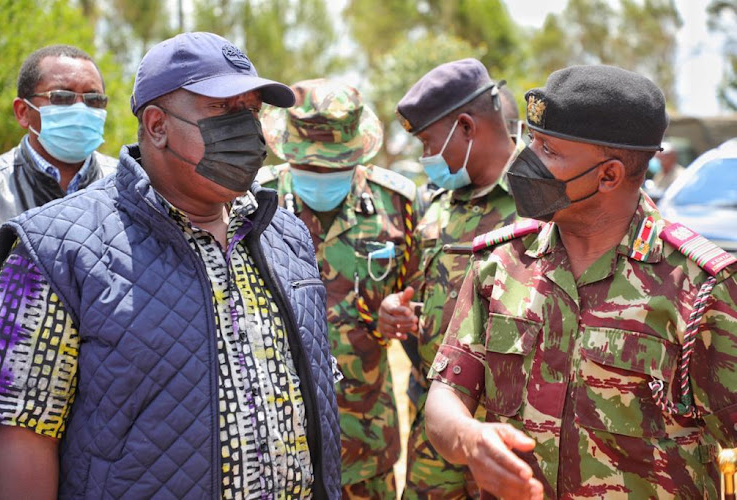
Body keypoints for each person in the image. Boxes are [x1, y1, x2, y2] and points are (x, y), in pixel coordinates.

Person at [0, 32, 340, 499]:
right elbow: (22, 437)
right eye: (222, 110)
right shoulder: (54, 250)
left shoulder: (285, 235)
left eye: (251, 111)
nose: (246, 131)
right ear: (156, 125)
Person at [425, 65, 737, 499]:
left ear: (608, 175)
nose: (525, 162)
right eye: (532, 142)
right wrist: (469, 438)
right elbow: (444, 398)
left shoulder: (699, 289)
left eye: (548, 151)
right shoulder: (499, 265)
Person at [258, 78, 417, 498]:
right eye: (309, 168)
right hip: (279, 445)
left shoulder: (396, 203)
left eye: (335, 167)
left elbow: (417, 294)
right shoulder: (255, 200)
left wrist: (397, 316)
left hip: (367, 437)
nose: (322, 177)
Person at [377, 58, 520, 498]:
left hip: (508, 431)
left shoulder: (541, 201)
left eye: (427, 143)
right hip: (433, 422)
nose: (425, 158)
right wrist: (394, 313)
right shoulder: (438, 204)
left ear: (465, 127)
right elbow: (418, 291)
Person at [0, 44, 117, 294]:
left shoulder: (127, 184)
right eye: (61, 97)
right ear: (23, 112)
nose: (81, 109)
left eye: (94, 99)